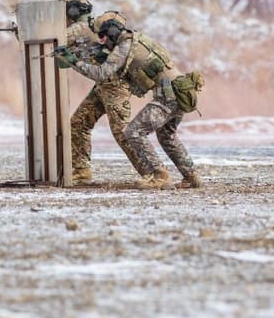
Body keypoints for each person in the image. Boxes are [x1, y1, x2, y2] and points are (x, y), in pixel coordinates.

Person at [59, 13, 203, 189]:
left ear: (112, 32)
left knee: (134, 132)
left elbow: (101, 73)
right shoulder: (137, 39)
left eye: (104, 37)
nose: (104, 42)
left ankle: (159, 175)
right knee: (167, 136)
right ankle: (191, 176)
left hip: (169, 96)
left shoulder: (124, 46)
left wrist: (73, 61)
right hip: (182, 92)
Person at [59, 0, 141, 184]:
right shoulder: (91, 26)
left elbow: (53, 40)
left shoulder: (78, 28)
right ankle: (81, 171)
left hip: (114, 86)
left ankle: (153, 173)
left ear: (73, 12)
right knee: (78, 123)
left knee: (122, 133)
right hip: (104, 86)